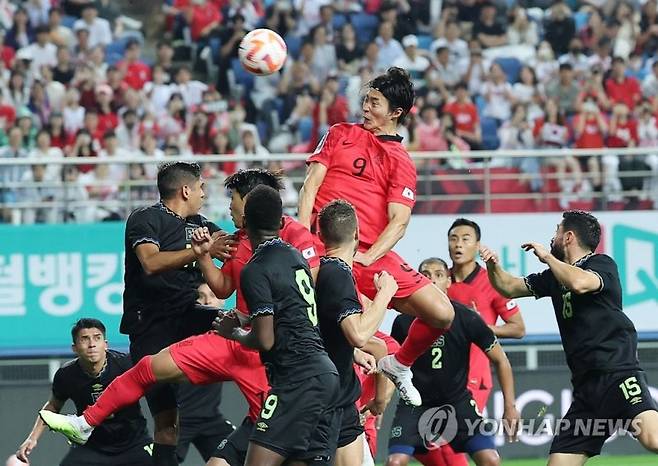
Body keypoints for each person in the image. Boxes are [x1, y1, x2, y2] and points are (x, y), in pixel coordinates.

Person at [38, 169, 326, 466]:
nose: (226, 206)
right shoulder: (235, 237)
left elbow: (307, 290)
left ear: (251, 204)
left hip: (263, 346)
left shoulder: (291, 238)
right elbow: (223, 285)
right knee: (152, 379)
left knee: (272, 425)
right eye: (203, 188)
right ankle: (86, 423)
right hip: (230, 337)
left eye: (233, 200)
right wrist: (202, 255)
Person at [298, 67, 454, 407]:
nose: (365, 108)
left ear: (396, 112)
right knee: (339, 336)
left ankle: (399, 365)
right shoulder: (340, 133)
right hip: (326, 251)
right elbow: (310, 185)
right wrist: (301, 237)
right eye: (365, 100)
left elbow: (399, 222)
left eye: (375, 103)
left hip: (368, 253)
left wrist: (369, 257)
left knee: (442, 313)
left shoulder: (401, 161)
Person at [480, 210, 658, 464]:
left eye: (557, 231)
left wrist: (546, 256)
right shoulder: (554, 277)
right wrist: (492, 266)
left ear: (568, 237)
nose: (553, 237)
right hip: (586, 389)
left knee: (653, 439)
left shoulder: (601, 264)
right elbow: (509, 287)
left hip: (618, 374)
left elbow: (581, 283)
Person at [213, 185, 340, 466]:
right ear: (282, 222)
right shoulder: (296, 257)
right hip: (324, 374)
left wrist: (233, 333)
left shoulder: (255, 269)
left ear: (245, 223)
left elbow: (265, 340)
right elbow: (291, 312)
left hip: (296, 379)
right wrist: (248, 319)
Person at [386, 258, 519, 466]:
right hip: (415, 405)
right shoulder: (403, 321)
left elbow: (501, 360)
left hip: (457, 402)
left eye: (438, 275)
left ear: (449, 281)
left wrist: (510, 406)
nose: (431, 280)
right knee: (395, 462)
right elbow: (392, 365)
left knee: (491, 460)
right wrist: (380, 402)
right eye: (425, 275)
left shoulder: (466, 317)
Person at [315, 199, 399, 466]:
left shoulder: (324, 272)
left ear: (320, 235)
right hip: (328, 399)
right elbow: (359, 334)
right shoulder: (337, 275)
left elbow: (324, 331)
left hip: (341, 394)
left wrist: (351, 353)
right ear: (357, 234)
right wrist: (385, 293)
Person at [18, 319, 152, 466]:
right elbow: (53, 406)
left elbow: (155, 391)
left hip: (133, 444)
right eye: (85, 339)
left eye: (97, 338)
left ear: (105, 344)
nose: (92, 344)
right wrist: (32, 438)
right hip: (92, 446)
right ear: (74, 348)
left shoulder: (126, 364)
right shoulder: (66, 375)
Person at [176, 283, 235, 464]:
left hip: (210, 418)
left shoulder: (233, 335)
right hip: (178, 421)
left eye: (213, 295)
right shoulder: (183, 334)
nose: (208, 301)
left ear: (223, 300)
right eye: (201, 296)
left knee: (244, 454)